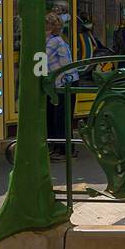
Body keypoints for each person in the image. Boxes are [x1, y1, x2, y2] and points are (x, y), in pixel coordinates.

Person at [45, 11, 79, 160]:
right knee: (57, 117)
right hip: (62, 83)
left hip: (64, 83)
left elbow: (41, 62)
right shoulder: (56, 40)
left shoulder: (53, 42)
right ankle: (60, 148)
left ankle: (64, 151)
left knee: (60, 118)